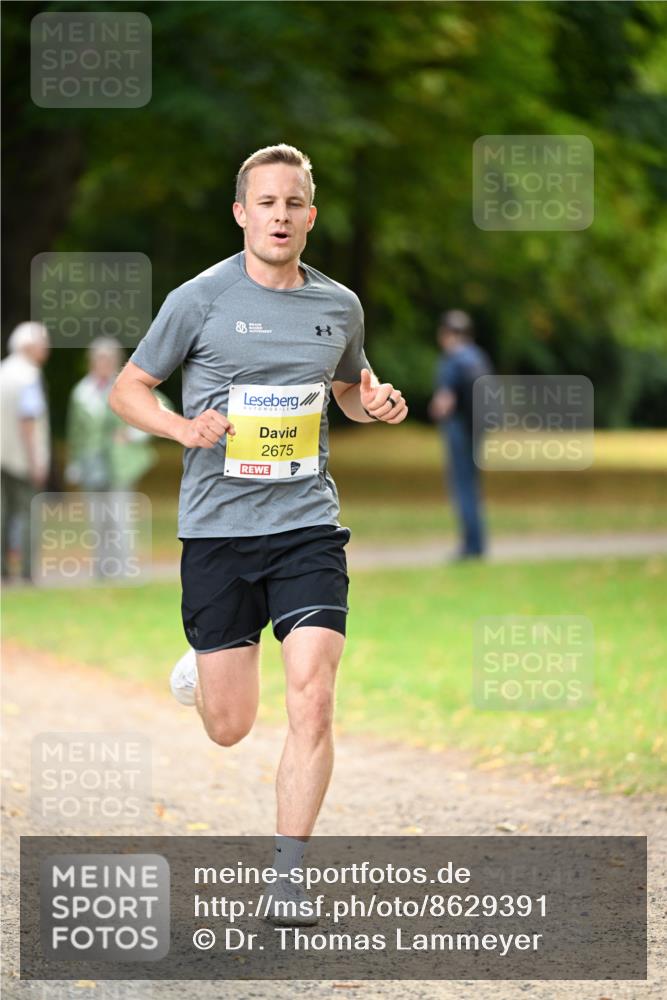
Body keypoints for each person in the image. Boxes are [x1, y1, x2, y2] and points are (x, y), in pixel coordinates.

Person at [109, 143, 408, 922]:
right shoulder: (198, 299)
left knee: (312, 698)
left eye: (294, 203)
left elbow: (347, 386)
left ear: (311, 213)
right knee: (229, 727)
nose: (280, 215)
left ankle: (288, 878)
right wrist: (182, 428)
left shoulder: (337, 306)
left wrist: (371, 404)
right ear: (242, 213)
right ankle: (204, 668)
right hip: (217, 532)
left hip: (307, 522)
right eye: (265, 203)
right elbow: (127, 388)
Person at [66, 336, 171, 579]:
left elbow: (161, 409)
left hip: (120, 465)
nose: (102, 363)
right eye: (98, 359)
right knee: (96, 519)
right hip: (91, 466)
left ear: (115, 361)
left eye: (107, 359)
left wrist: (133, 434)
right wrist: (74, 463)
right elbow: (75, 431)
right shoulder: (81, 391)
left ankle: (123, 567)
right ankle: (101, 568)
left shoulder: (125, 387)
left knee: (119, 517)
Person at [428, 309, 492, 560]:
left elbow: (444, 402)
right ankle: (478, 542)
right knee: (473, 487)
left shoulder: (452, 360)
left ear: (445, 333)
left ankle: (470, 547)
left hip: (458, 429)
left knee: (462, 487)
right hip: (478, 429)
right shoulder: (478, 356)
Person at [0, 322, 51, 582]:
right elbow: (28, 421)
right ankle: (29, 571)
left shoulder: (3, 372)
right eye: (42, 343)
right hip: (21, 459)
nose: (47, 348)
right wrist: (36, 462)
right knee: (28, 513)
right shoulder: (29, 376)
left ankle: (3, 572)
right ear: (28, 346)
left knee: (3, 512)